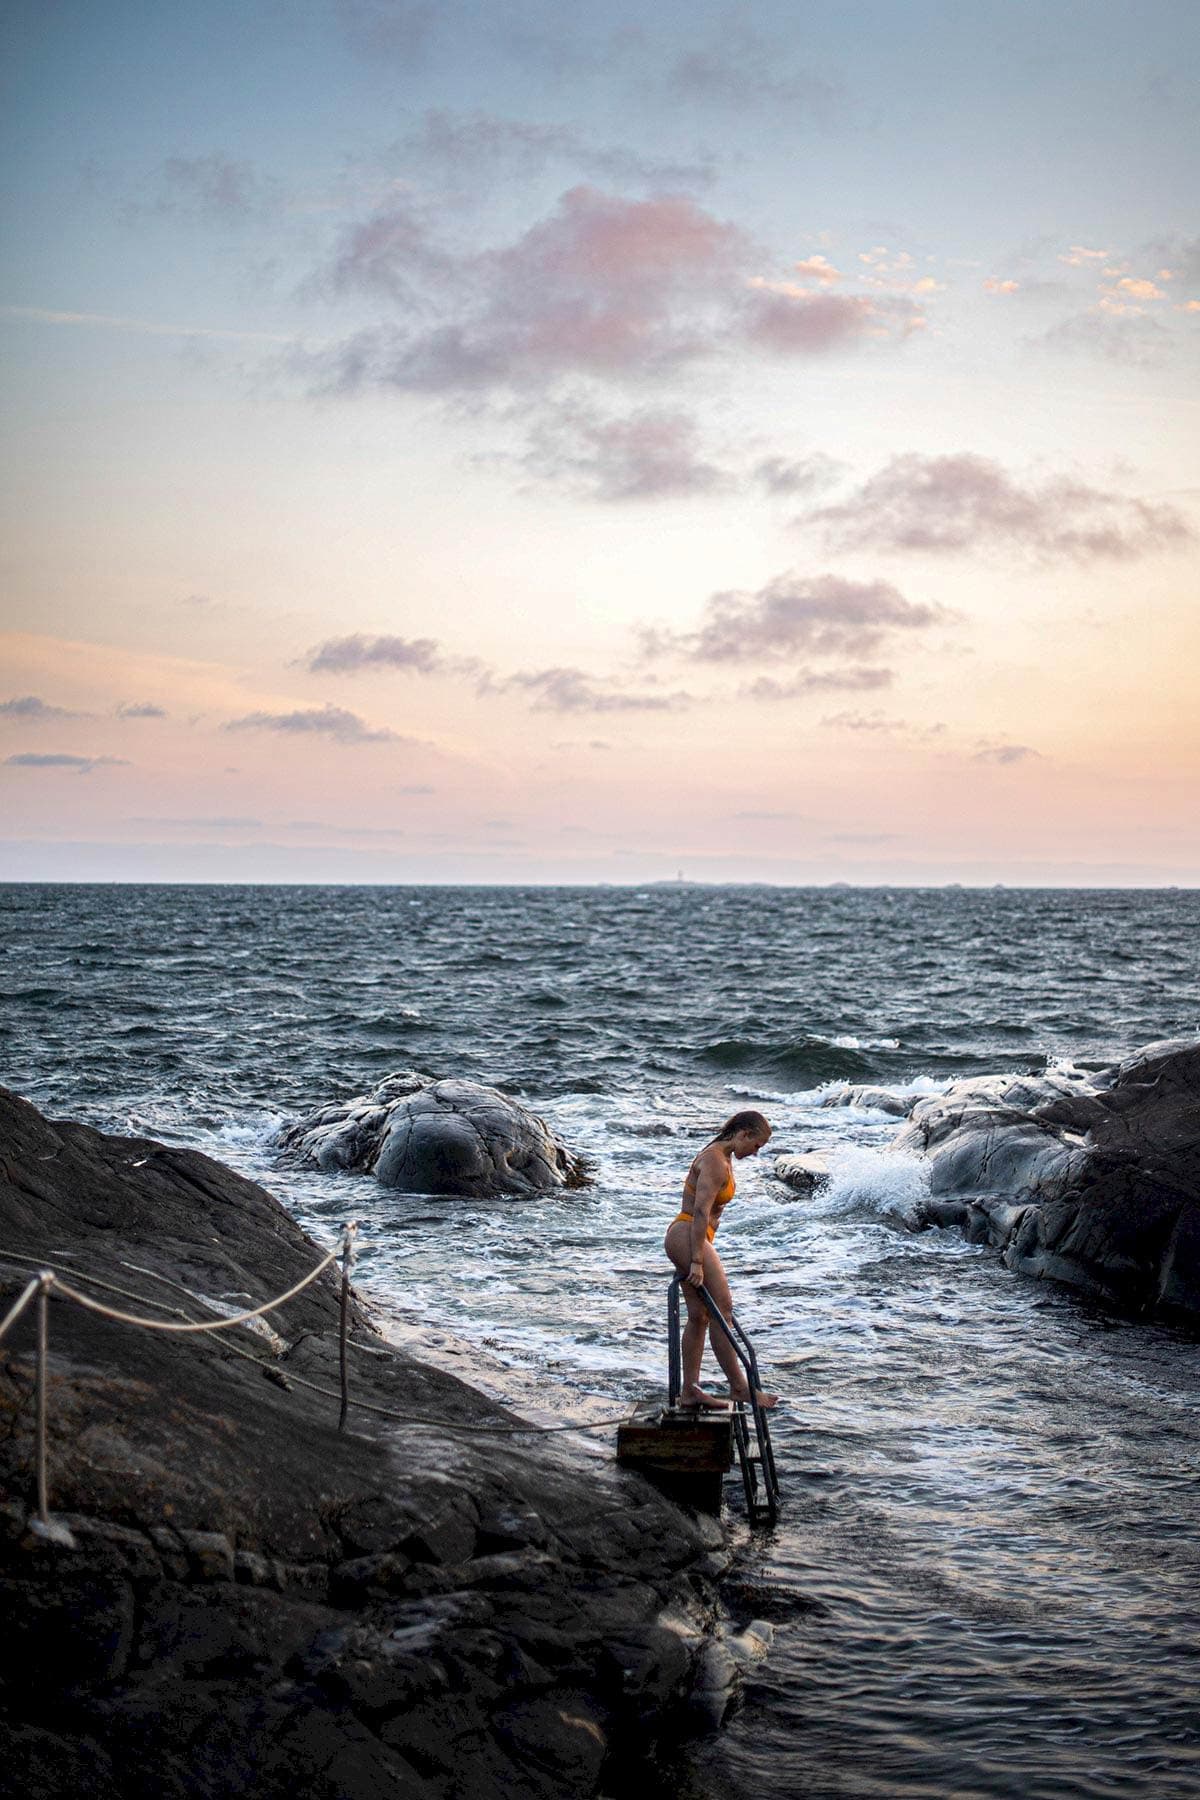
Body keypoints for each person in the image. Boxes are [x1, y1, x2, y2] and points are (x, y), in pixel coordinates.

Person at [664, 1109, 778, 1410]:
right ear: (743, 1134)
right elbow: (701, 1211)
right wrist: (698, 1260)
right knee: (723, 1310)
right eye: (756, 1146)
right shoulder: (715, 1160)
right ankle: (740, 1388)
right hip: (689, 1234)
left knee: (700, 1316)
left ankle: (689, 1391)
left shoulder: (720, 1156)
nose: (755, 1153)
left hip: (689, 1236)